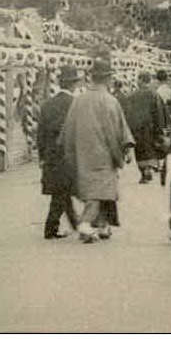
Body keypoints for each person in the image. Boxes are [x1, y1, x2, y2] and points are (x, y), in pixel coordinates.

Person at [59, 59, 135, 243]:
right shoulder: (110, 101)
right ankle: (85, 225)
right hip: (104, 154)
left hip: (82, 154)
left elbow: (66, 132)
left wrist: (71, 153)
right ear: (108, 79)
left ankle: (102, 225)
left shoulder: (78, 101)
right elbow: (120, 129)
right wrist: (127, 150)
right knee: (99, 191)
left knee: (94, 190)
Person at [37, 65, 81, 239]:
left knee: (62, 190)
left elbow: (40, 133)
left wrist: (42, 156)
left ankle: (75, 223)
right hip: (70, 154)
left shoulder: (47, 105)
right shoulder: (76, 104)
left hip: (52, 155)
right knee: (64, 192)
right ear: (73, 85)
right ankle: (51, 228)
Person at [123, 72, 167, 184]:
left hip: (137, 128)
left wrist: (129, 129)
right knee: (150, 148)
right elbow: (159, 112)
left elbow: (128, 113)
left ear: (142, 80)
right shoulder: (154, 95)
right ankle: (149, 168)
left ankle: (143, 172)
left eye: (138, 79)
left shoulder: (132, 96)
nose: (137, 82)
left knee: (140, 150)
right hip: (151, 128)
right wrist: (160, 127)